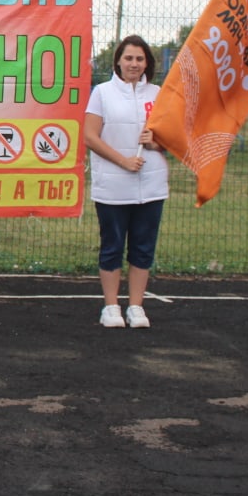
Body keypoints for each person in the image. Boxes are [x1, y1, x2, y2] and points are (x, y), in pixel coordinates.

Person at [83, 35, 169, 329]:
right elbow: (90, 136)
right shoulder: (103, 93)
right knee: (112, 246)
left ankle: (136, 306)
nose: (134, 64)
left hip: (152, 186)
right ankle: (110, 307)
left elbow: (173, 138)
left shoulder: (159, 94)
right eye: (129, 58)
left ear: (147, 63)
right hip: (113, 187)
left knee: (143, 248)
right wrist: (123, 161)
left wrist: (156, 143)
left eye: (140, 59)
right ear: (118, 61)